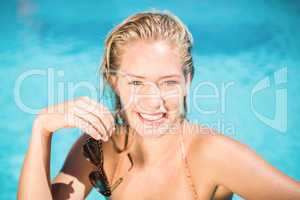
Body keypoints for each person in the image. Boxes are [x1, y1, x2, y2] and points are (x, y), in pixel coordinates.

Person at [18, 10, 300, 200]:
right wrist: (42, 128)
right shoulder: (101, 147)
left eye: (168, 83)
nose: (154, 102)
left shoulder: (212, 154)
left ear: (187, 81)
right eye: (137, 83)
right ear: (115, 82)